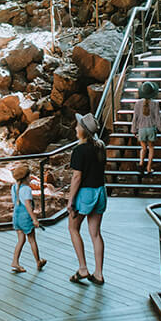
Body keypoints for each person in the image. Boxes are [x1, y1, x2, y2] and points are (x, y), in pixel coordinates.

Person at [66, 112, 107, 285]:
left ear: (83, 130)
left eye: (78, 125)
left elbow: (77, 177)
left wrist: (70, 200)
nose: (75, 128)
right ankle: (98, 273)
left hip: (85, 194)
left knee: (73, 228)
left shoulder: (79, 150)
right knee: (96, 233)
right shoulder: (100, 146)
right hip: (100, 191)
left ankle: (83, 268)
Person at [8, 162, 46, 273]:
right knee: (32, 240)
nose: (30, 178)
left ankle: (15, 261)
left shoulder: (14, 187)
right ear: (25, 178)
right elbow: (28, 206)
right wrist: (34, 219)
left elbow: (15, 202)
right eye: (29, 176)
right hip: (25, 218)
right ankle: (38, 261)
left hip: (16, 217)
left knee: (21, 240)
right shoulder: (27, 190)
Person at [133, 81, 161, 176]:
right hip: (151, 128)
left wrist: (134, 130)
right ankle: (148, 168)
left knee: (143, 148)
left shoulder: (138, 103)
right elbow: (158, 117)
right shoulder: (155, 103)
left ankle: (140, 164)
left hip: (141, 129)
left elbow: (135, 117)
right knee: (151, 148)